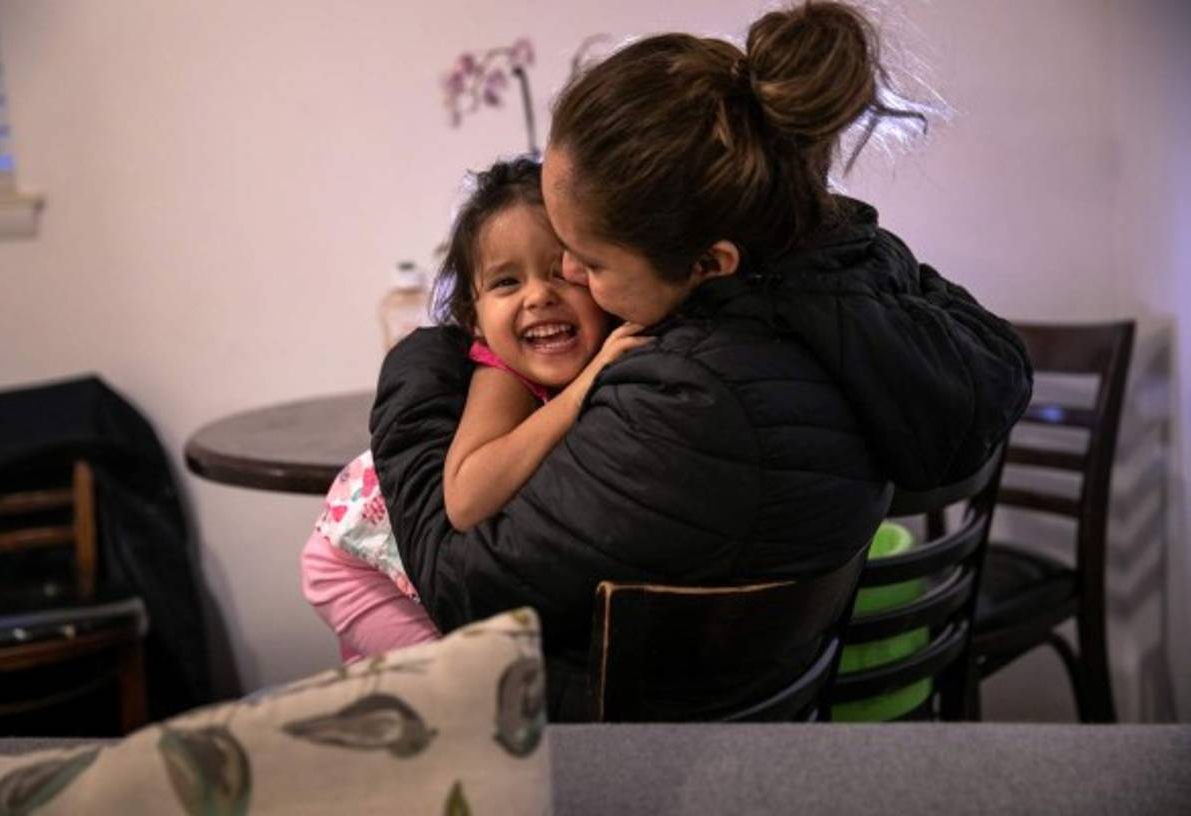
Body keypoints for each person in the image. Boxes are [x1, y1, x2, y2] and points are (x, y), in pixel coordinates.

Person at [371, 1, 1033, 720]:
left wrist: (428, 354)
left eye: (588, 261)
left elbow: (457, 583)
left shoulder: (691, 397)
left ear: (709, 263)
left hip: (620, 765)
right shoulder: (846, 294)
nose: (566, 271)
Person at [301, 157, 643, 660]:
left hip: (403, 571)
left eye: (562, 273)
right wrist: (582, 390)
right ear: (473, 318)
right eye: (507, 282)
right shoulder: (502, 375)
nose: (539, 296)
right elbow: (467, 497)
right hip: (356, 567)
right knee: (473, 691)